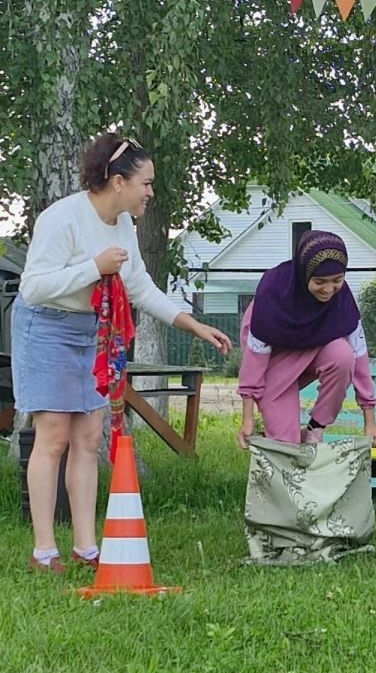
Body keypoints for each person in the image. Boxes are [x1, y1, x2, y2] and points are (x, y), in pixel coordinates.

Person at [12, 132, 232, 573]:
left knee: (89, 439)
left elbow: (139, 287)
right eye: (146, 183)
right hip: (46, 326)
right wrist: (93, 268)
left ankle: (86, 547)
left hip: (93, 330)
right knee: (53, 437)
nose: (150, 192)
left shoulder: (125, 224)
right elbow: (33, 286)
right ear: (117, 181)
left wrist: (192, 324)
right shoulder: (63, 218)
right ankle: (43, 552)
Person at [236, 230, 376, 449]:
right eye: (319, 281)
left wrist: (370, 421)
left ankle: (315, 428)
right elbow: (254, 360)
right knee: (285, 446)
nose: (328, 290)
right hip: (275, 366)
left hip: (314, 354)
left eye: (337, 280)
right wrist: (247, 418)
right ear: (304, 273)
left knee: (343, 354)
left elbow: (359, 357)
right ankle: (286, 454)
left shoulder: (342, 300)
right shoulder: (272, 294)